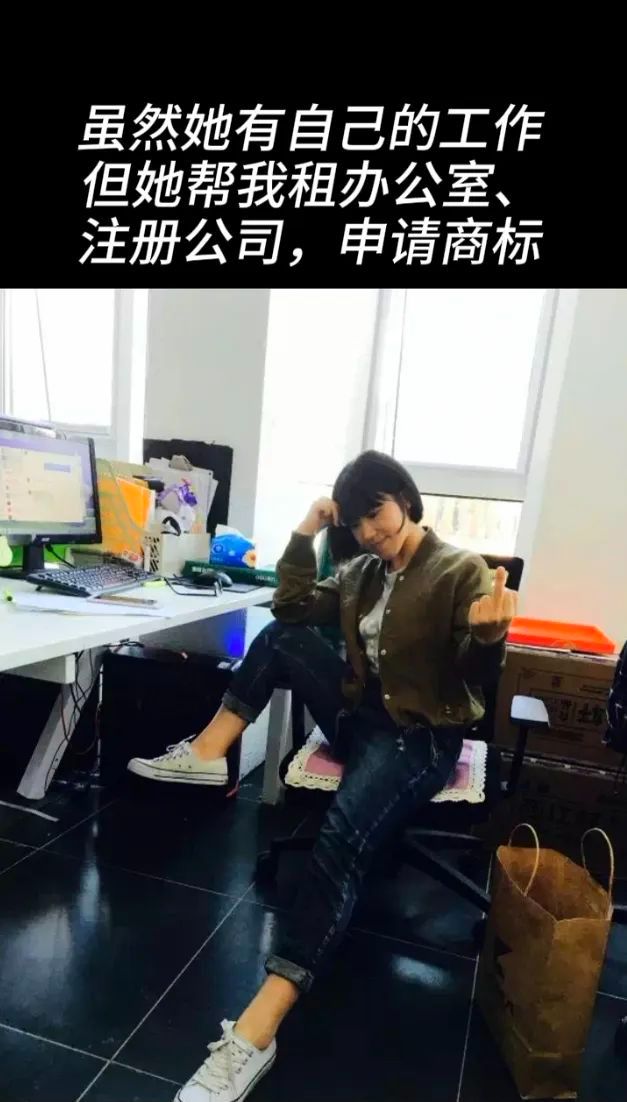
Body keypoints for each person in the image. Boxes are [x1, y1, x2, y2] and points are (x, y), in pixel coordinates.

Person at [127, 451, 518, 1102]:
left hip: (420, 736)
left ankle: (255, 1033)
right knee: (281, 637)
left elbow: (473, 677)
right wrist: (306, 531)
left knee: (338, 840)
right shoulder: (360, 571)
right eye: (355, 522)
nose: (367, 531)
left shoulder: (459, 570)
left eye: (376, 513)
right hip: (360, 719)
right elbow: (290, 607)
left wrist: (489, 637)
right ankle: (208, 754)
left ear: (404, 498)